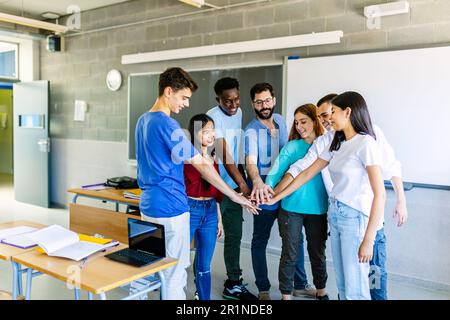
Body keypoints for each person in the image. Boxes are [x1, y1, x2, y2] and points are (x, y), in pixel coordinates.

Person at [135, 67, 258, 300]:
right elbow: (202, 165)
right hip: (171, 209)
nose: (186, 104)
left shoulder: (143, 121)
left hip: (149, 206)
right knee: (174, 273)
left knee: (145, 269)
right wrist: (234, 196)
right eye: (184, 98)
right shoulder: (168, 125)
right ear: (168, 91)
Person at [282, 93, 408, 300]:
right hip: (340, 213)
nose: (326, 120)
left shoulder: (370, 137)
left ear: (346, 112)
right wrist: (275, 195)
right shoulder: (331, 140)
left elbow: (391, 168)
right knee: (347, 283)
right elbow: (302, 169)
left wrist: (401, 201)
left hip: (367, 219)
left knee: (373, 277)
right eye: (323, 116)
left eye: (330, 113)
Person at [265, 104, 329, 300]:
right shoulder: (292, 146)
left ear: (315, 121)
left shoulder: (327, 144)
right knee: (290, 253)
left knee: (317, 253)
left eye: (304, 122)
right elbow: (276, 172)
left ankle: (321, 291)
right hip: (291, 209)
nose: (300, 127)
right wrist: (267, 190)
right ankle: (286, 295)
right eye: (297, 122)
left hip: (318, 209)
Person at [206, 77, 257, 300]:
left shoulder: (239, 112)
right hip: (214, 185)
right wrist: (244, 185)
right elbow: (225, 156)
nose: (234, 104)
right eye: (227, 101)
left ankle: (234, 282)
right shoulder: (212, 118)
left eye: (236, 99)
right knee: (209, 235)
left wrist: (243, 180)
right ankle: (202, 280)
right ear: (218, 99)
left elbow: (236, 152)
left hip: (234, 182)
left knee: (234, 235)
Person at [243, 82, 289, 300]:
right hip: (264, 194)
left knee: (292, 240)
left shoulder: (281, 121)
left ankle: (297, 284)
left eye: (267, 100)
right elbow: (250, 161)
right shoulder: (251, 131)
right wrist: (257, 182)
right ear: (253, 103)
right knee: (259, 241)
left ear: (274, 100)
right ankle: (263, 288)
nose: (264, 105)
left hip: (287, 191)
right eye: (259, 102)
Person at [184, 113, 224, 301]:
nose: (211, 135)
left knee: (204, 265)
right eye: (206, 131)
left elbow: (216, 191)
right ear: (195, 133)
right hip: (190, 208)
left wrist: (219, 219)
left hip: (209, 211)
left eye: (212, 131)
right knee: (178, 260)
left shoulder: (213, 157)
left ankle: (203, 299)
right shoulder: (186, 157)